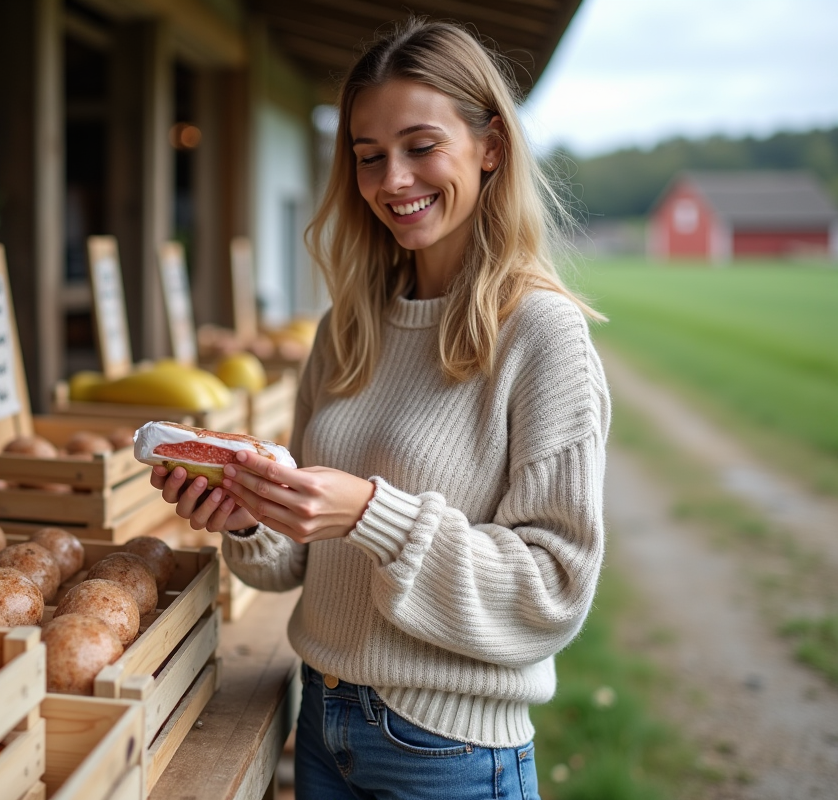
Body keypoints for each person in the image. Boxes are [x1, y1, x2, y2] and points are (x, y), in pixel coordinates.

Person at [153, 18, 610, 800]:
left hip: (450, 752)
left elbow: (553, 591)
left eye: (420, 146)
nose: (393, 180)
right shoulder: (349, 325)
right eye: (369, 157)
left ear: (490, 146)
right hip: (325, 720)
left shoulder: (543, 335)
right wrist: (249, 514)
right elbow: (299, 564)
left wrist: (370, 512)